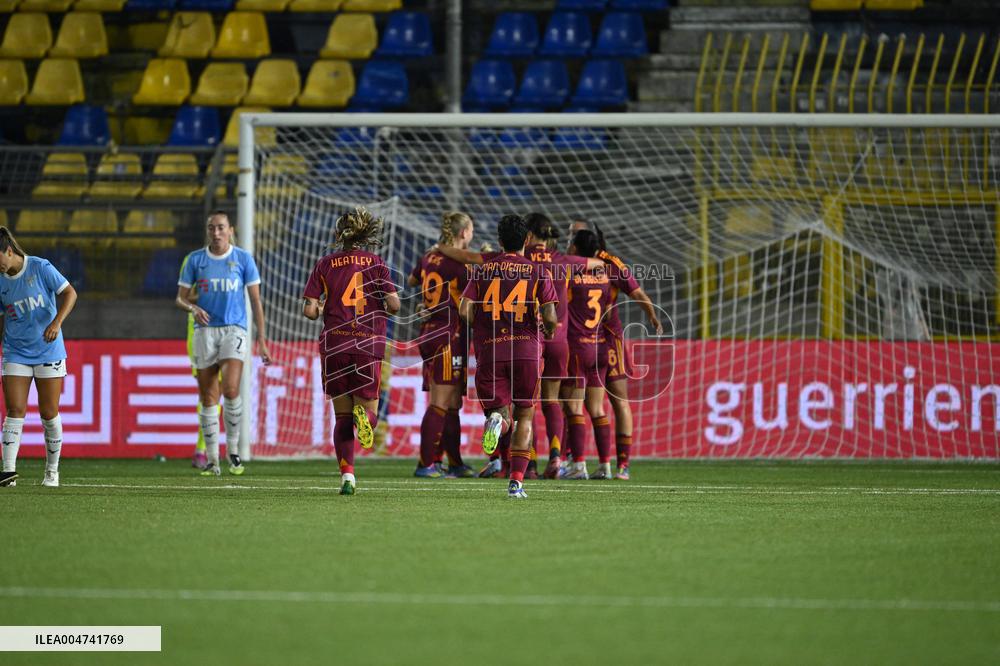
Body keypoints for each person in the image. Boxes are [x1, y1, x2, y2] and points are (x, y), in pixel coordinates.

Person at [303, 207, 400, 496]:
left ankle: (347, 476)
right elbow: (394, 305)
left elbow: (309, 310)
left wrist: (320, 308)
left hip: (334, 346)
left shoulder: (325, 264)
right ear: (363, 233)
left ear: (338, 234)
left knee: (342, 418)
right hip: (366, 345)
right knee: (369, 412)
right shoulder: (376, 262)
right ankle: (365, 419)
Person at [459, 214, 557, 499]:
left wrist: (481, 323)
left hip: (491, 348)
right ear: (526, 240)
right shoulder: (538, 271)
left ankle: (497, 422)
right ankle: (516, 483)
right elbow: (550, 315)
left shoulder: (482, 271)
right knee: (525, 414)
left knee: (501, 413)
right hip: (527, 349)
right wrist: (547, 330)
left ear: (500, 241)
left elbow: (465, 310)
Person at [176, 211, 270, 477]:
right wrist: (192, 308)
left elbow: (255, 301)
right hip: (204, 332)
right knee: (208, 397)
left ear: (230, 230)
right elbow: (180, 298)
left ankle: (234, 452)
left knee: (230, 388)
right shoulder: (195, 260)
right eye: (211, 228)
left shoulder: (243, 259)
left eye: (220, 228)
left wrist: (261, 338)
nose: (216, 233)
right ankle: (212, 459)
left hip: (234, 330)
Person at [0, 226, 78, 488]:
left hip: (48, 349)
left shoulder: (40, 267)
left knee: (48, 412)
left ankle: (52, 471)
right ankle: (7, 472)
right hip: (15, 351)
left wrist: (56, 322)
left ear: (9, 251)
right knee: (14, 409)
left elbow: (70, 293)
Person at [406, 212, 476, 479]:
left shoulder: (429, 257)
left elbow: (413, 280)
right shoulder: (460, 265)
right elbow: (468, 306)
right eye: (470, 230)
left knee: (453, 402)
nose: (472, 235)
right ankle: (426, 464)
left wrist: (429, 301)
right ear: (463, 233)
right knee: (440, 401)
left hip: (429, 331)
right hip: (449, 335)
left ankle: (455, 462)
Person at [561, 229, 614, 480]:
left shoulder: (572, 273)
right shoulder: (604, 274)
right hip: (600, 346)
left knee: (573, 407)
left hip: (577, 348)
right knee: (598, 409)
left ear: (575, 248)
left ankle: (578, 465)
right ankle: (605, 466)